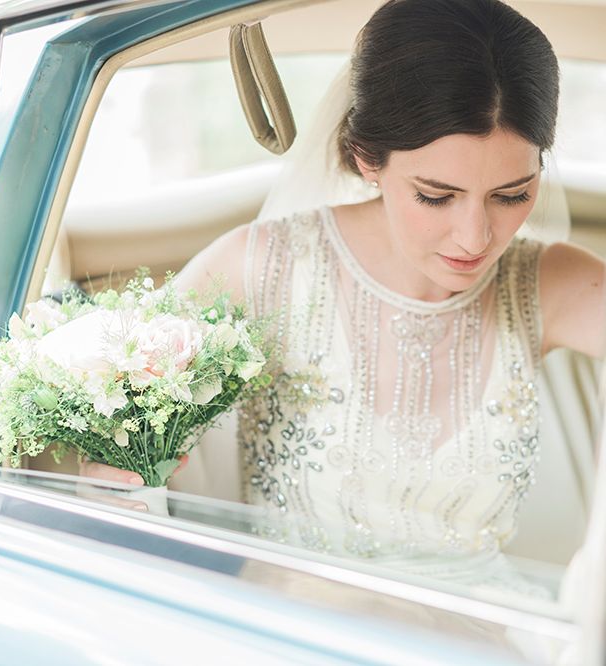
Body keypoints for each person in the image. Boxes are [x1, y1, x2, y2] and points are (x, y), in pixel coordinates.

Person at [81, 0, 604, 591]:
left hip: (484, 631)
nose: (476, 237)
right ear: (367, 161)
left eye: (511, 195)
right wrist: (125, 480)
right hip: (298, 629)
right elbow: (110, 438)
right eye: (436, 196)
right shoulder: (262, 267)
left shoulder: (547, 282)